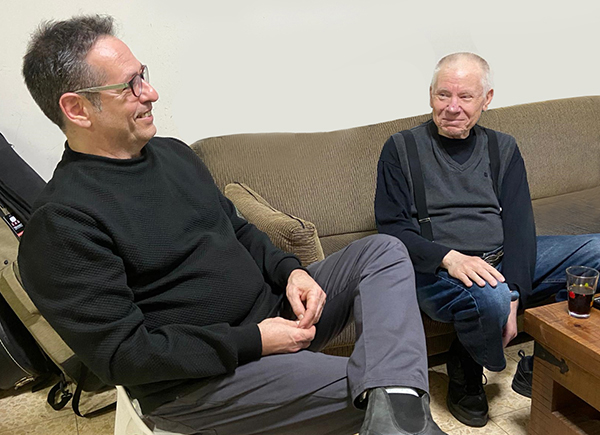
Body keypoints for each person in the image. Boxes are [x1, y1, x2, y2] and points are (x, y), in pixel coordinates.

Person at [18, 15, 446, 435]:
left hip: (275, 317)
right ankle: (400, 410)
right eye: (130, 85)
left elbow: (238, 230)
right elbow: (125, 356)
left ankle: (397, 411)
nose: (151, 93)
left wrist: (290, 272)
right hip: (200, 384)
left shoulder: (174, 155)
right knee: (370, 390)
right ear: (77, 109)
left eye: (142, 75)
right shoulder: (61, 224)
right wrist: (256, 341)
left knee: (383, 252)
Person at [375, 52, 600, 427]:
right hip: (437, 271)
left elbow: (519, 225)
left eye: (465, 96)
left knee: (596, 251)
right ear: (430, 94)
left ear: (487, 99)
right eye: (443, 95)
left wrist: (516, 290)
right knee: (492, 297)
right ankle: (465, 370)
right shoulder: (400, 149)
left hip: (499, 258)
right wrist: (450, 258)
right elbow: (392, 227)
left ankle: (545, 362)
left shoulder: (503, 147)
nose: (453, 107)